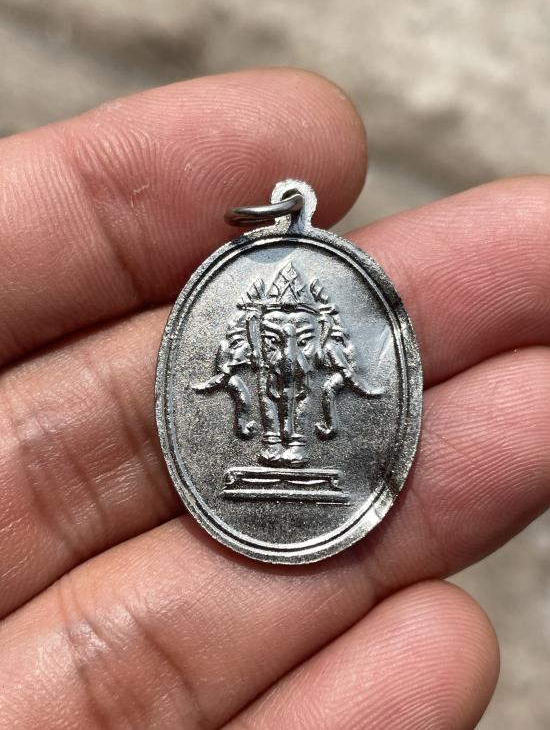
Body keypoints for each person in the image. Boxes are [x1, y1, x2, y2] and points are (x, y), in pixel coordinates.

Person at [0, 67, 548, 729]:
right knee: (271, 415)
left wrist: (320, 368)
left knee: (299, 414)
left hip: (301, 387)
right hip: (266, 387)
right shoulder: (251, 335)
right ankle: (277, 447)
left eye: (296, 325)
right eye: (274, 325)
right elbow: (229, 367)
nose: (285, 328)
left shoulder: (318, 333)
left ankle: (290, 447)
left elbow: (343, 369)